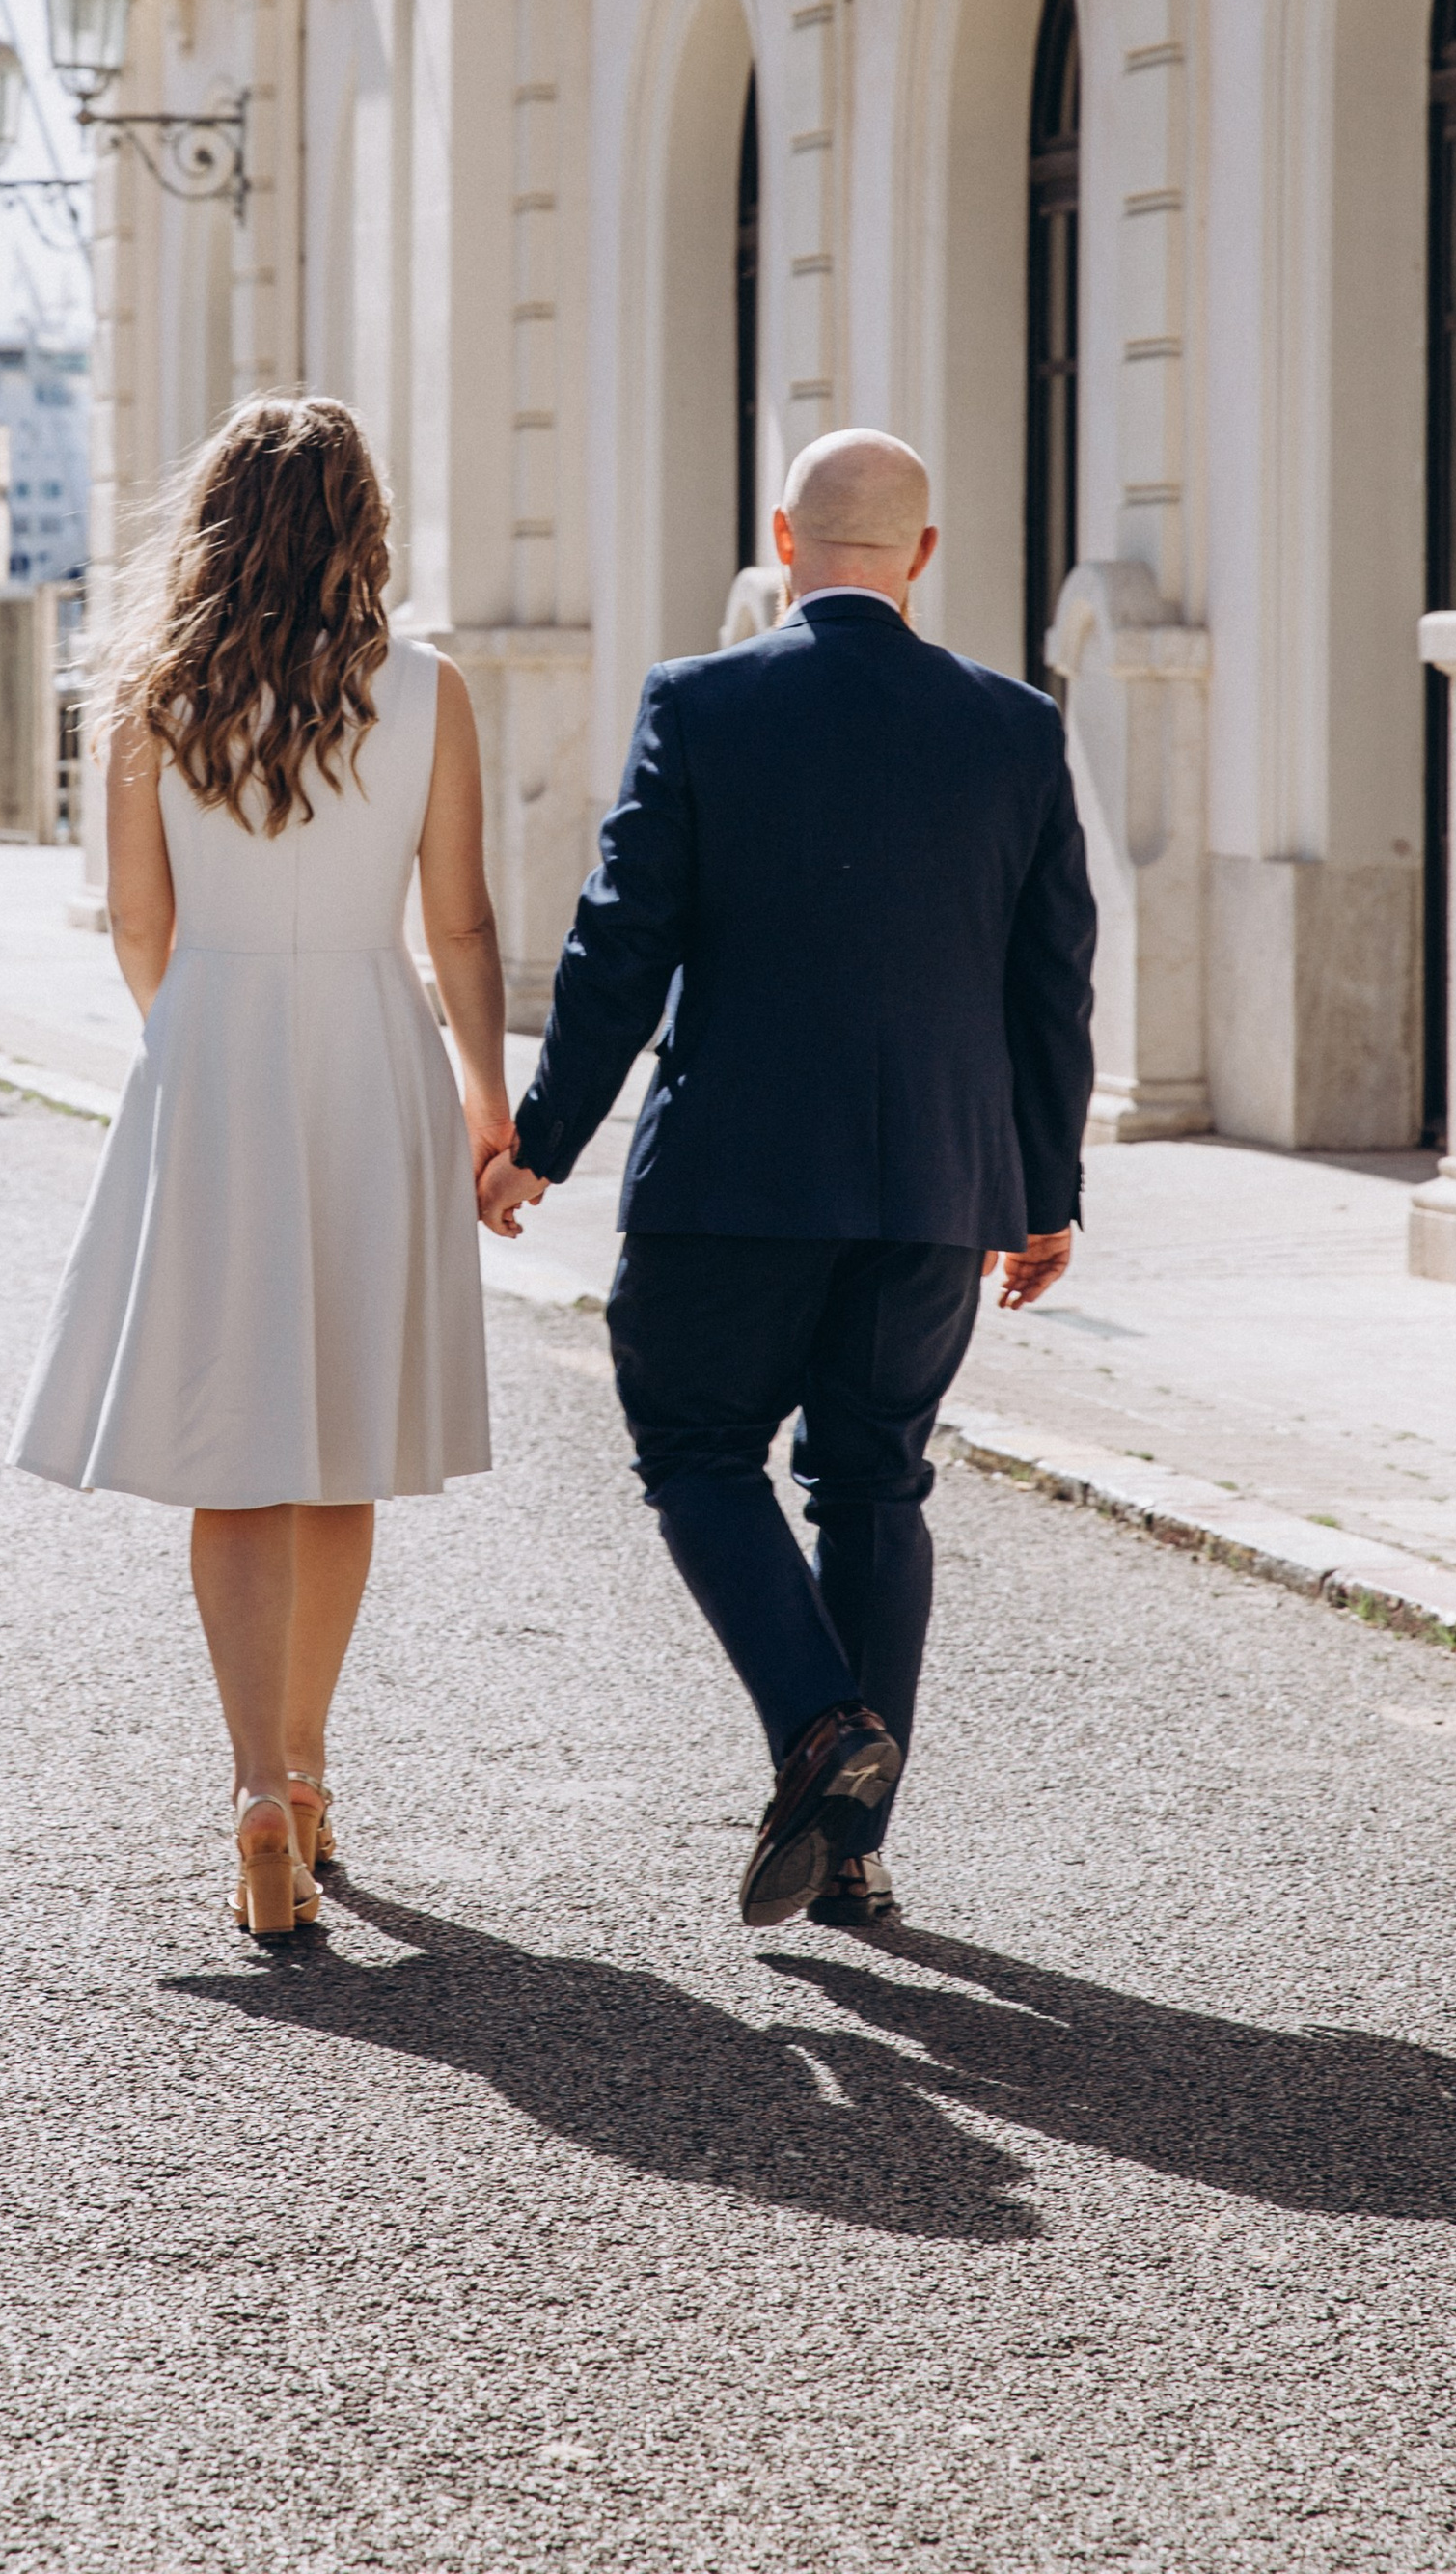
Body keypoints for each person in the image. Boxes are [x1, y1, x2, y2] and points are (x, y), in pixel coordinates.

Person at [479, 429, 1094, 1931]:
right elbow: (1054, 980)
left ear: (780, 538)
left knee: (696, 1449)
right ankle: (857, 1848)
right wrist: (1045, 1191)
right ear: (924, 556)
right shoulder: (1014, 729)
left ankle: (825, 1725)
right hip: (936, 1187)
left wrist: (540, 1139)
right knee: (873, 1481)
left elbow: (621, 941)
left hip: (731, 1179)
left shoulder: (701, 703)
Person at [12, 397, 512, 1939]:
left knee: (237, 1437)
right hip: (370, 1050)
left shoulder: (151, 699)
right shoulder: (427, 691)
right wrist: (492, 1104)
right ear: (364, 523)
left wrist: (193, 1048)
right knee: (338, 1435)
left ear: (212, 523)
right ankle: (303, 1772)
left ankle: (248, 1786)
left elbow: (138, 926)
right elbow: (463, 924)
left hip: (212, 1056)